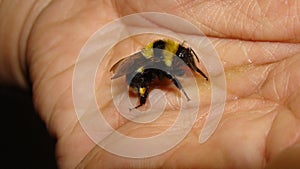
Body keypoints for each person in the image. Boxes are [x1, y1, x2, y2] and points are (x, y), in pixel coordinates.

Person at [1, 0, 299, 168]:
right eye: (183, 60)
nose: (184, 62)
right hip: (135, 76)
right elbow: (164, 73)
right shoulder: (162, 61)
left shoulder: (168, 50)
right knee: (146, 80)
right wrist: (38, 14)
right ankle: (141, 98)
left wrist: (38, 12)